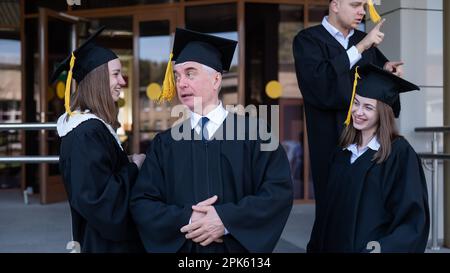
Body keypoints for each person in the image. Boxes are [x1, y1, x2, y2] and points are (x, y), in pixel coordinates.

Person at [130, 28, 293, 253]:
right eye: (177, 76)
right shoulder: (164, 144)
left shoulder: (254, 134)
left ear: (216, 80)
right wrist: (188, 218)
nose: (181, 83)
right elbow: (142, 204)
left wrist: (226, 220)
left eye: (190, 73)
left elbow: (277, 193)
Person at [292, 0, 404, 212]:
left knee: (365, 206)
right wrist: (360, 48)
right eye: (355, 5)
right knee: (331, 208)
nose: (362, 11)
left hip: (364, 141)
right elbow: (319, 85)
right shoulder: (308, 40)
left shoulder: (363, 40)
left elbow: (374, 87)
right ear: (335, 5)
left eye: (363, 6)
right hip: (328, 139)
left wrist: (387, 72)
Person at [308, 63, 430, 252]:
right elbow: (326, 212)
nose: (358, 112)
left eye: (368, 107)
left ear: (383, 113)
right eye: (356, 103)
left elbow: (411, 219)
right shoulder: (342, 152)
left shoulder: (399, 154)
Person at [53, 26, 146, 253]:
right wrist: (133, 167)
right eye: (115, 74)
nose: (122, 81)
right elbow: (101, 202)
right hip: (105, 246)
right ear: (97, 80)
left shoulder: (94, 129)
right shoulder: (86, 133)